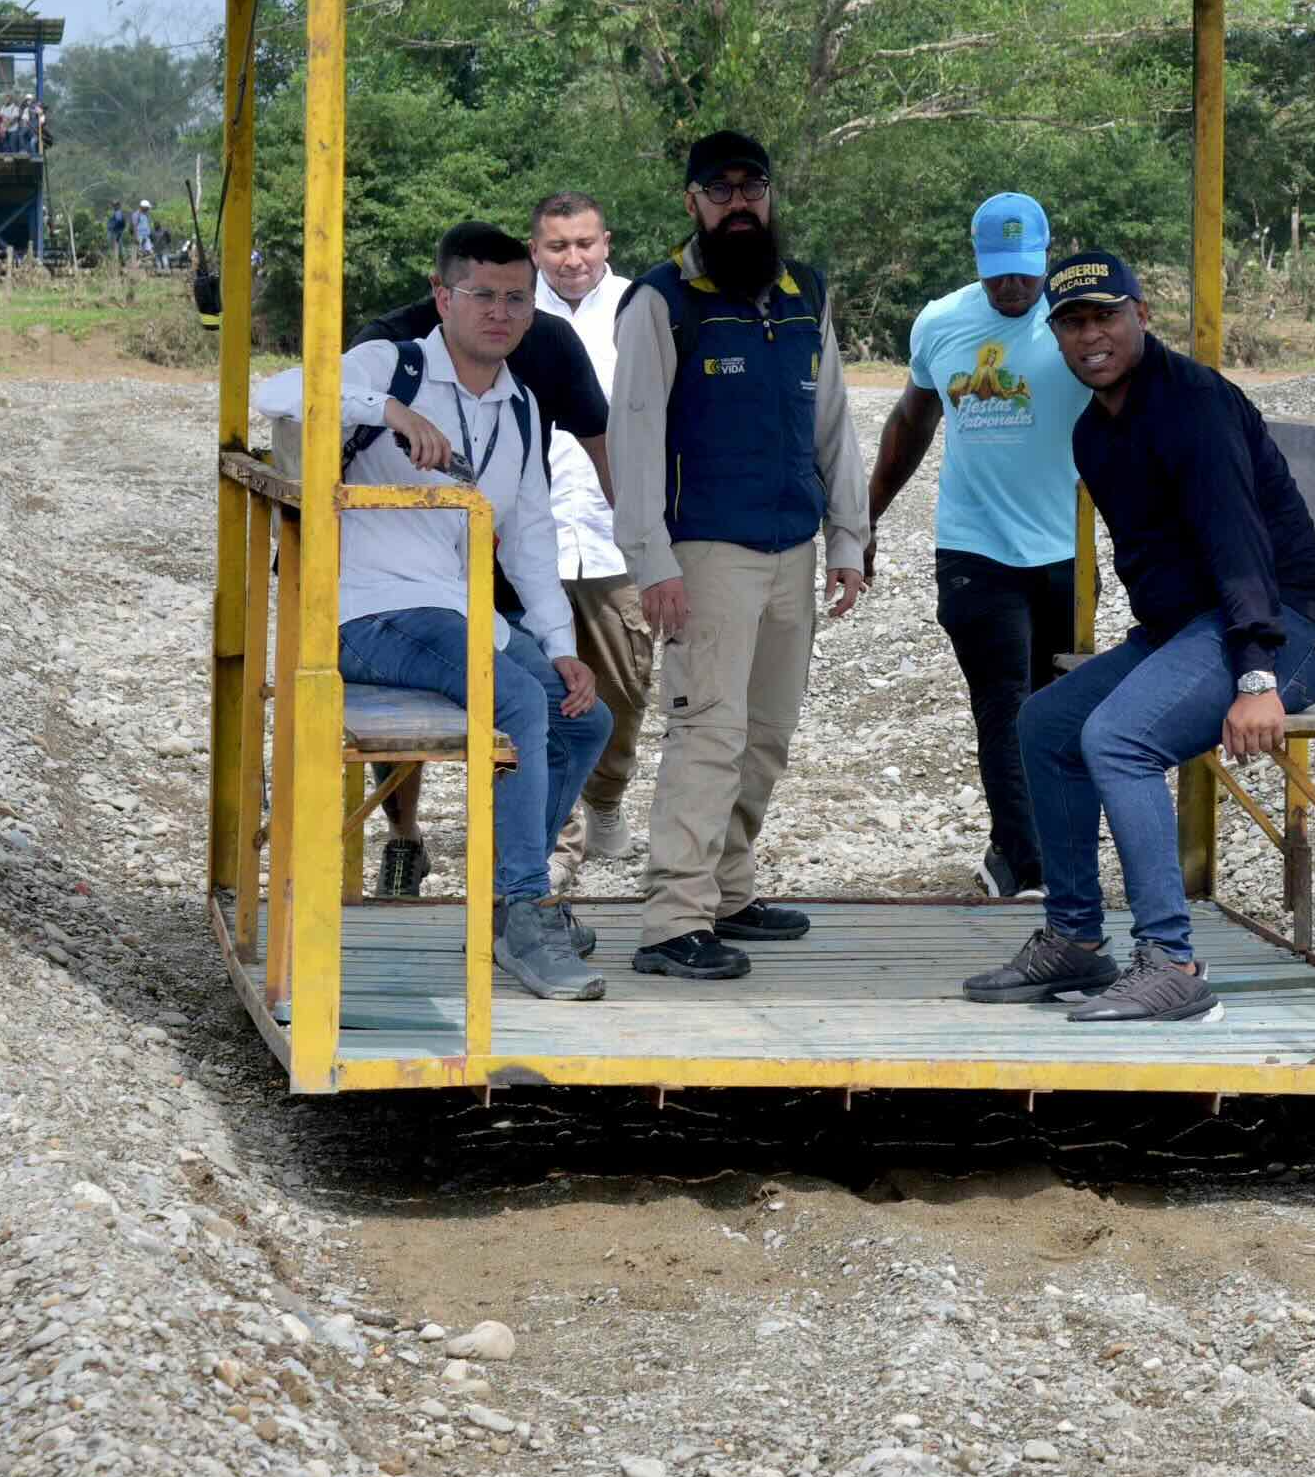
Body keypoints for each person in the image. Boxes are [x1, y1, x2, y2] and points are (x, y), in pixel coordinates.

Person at [960, 251, 1315, 1024]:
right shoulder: (1094, 434)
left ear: (1142, 317)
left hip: (1285, 629)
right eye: (1071, 323)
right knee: (1046, 723)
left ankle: (1172, 961)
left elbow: (1242, 551)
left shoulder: (1193, 407)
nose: (1089, 336)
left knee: (1119, 738)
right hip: (1190, 631)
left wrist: (1255, 677)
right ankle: (1075, 938)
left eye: (1105, 315)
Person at [251, 220, 615, 1002]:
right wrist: (387, 411)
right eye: (481, 295)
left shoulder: (519, 408)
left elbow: (528, 542)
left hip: (453, 611)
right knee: (510, 698)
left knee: (583, 716)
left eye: (517, 298)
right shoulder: (397, 366)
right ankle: (523, 909)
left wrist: (560, 644)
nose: (500, 313)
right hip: (361, 612)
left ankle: (504, 892)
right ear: (442, 296)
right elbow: (273, 393)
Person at [607, 132, 869, 982]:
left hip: (794, 547)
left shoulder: (806, 292)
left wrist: (849, 537)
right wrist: (652, 562)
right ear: (692, 203)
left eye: (750, 187)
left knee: (766, 737)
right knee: (708, 733)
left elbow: (832, 421)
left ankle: (727, 890)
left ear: (770, 193)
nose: (737, 204)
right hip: (705, 552)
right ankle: (670, 923)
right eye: (718, 192)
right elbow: (636, 438)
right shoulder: (660, 301)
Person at [864, 192, 1081, 898]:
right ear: (978, 262)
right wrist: (864, 518)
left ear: (1046, 256)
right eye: (997, 274)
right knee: (1004, 700)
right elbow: (912, 419)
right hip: (973, 548)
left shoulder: (1079, 322)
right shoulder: (942, 322)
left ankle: (1017, 844)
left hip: (1063, 550)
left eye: (1023, 272)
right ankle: (1027, 863)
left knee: (1053, 703)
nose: (1011, 287)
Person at [526, 189, 658, 884]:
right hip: (531, 540)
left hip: (617, 538)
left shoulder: (645, 310)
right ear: (534, 251)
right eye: (557, 246)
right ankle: (557, 843)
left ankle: (605, 793)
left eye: (584, 244)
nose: (572, 259)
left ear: (606, 242)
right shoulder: (508, 313)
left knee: (627, 688)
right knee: (546, 690)